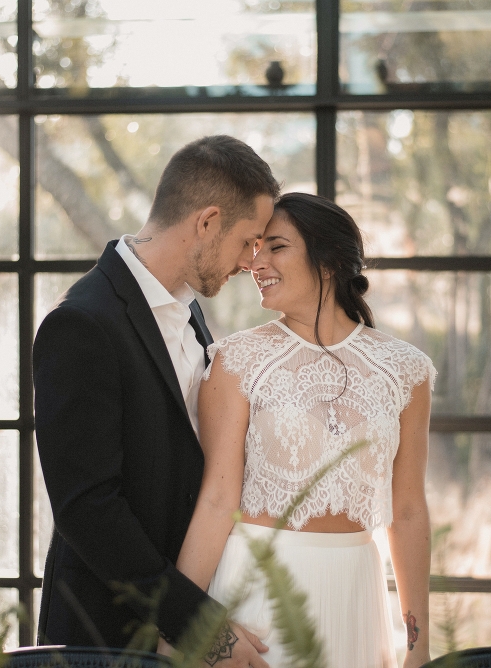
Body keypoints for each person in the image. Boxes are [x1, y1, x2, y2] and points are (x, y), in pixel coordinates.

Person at [33, 134, 281, 666]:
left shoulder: (190, 311)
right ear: (208, 222)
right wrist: (202, 628)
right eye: (249, 240)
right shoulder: (79, 323)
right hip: (107, 633)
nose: (250, 261)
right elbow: (88, 510)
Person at [172, 193, 435, 668]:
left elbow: (410, 510)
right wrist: (180, 625)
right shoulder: (236, 362)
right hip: (257, 593)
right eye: (254, 248)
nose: (256, 262)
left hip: (355, 594)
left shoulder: (406, 371)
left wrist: (418, 646)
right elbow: (216, 501)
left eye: (276, 247)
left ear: (329, 262)